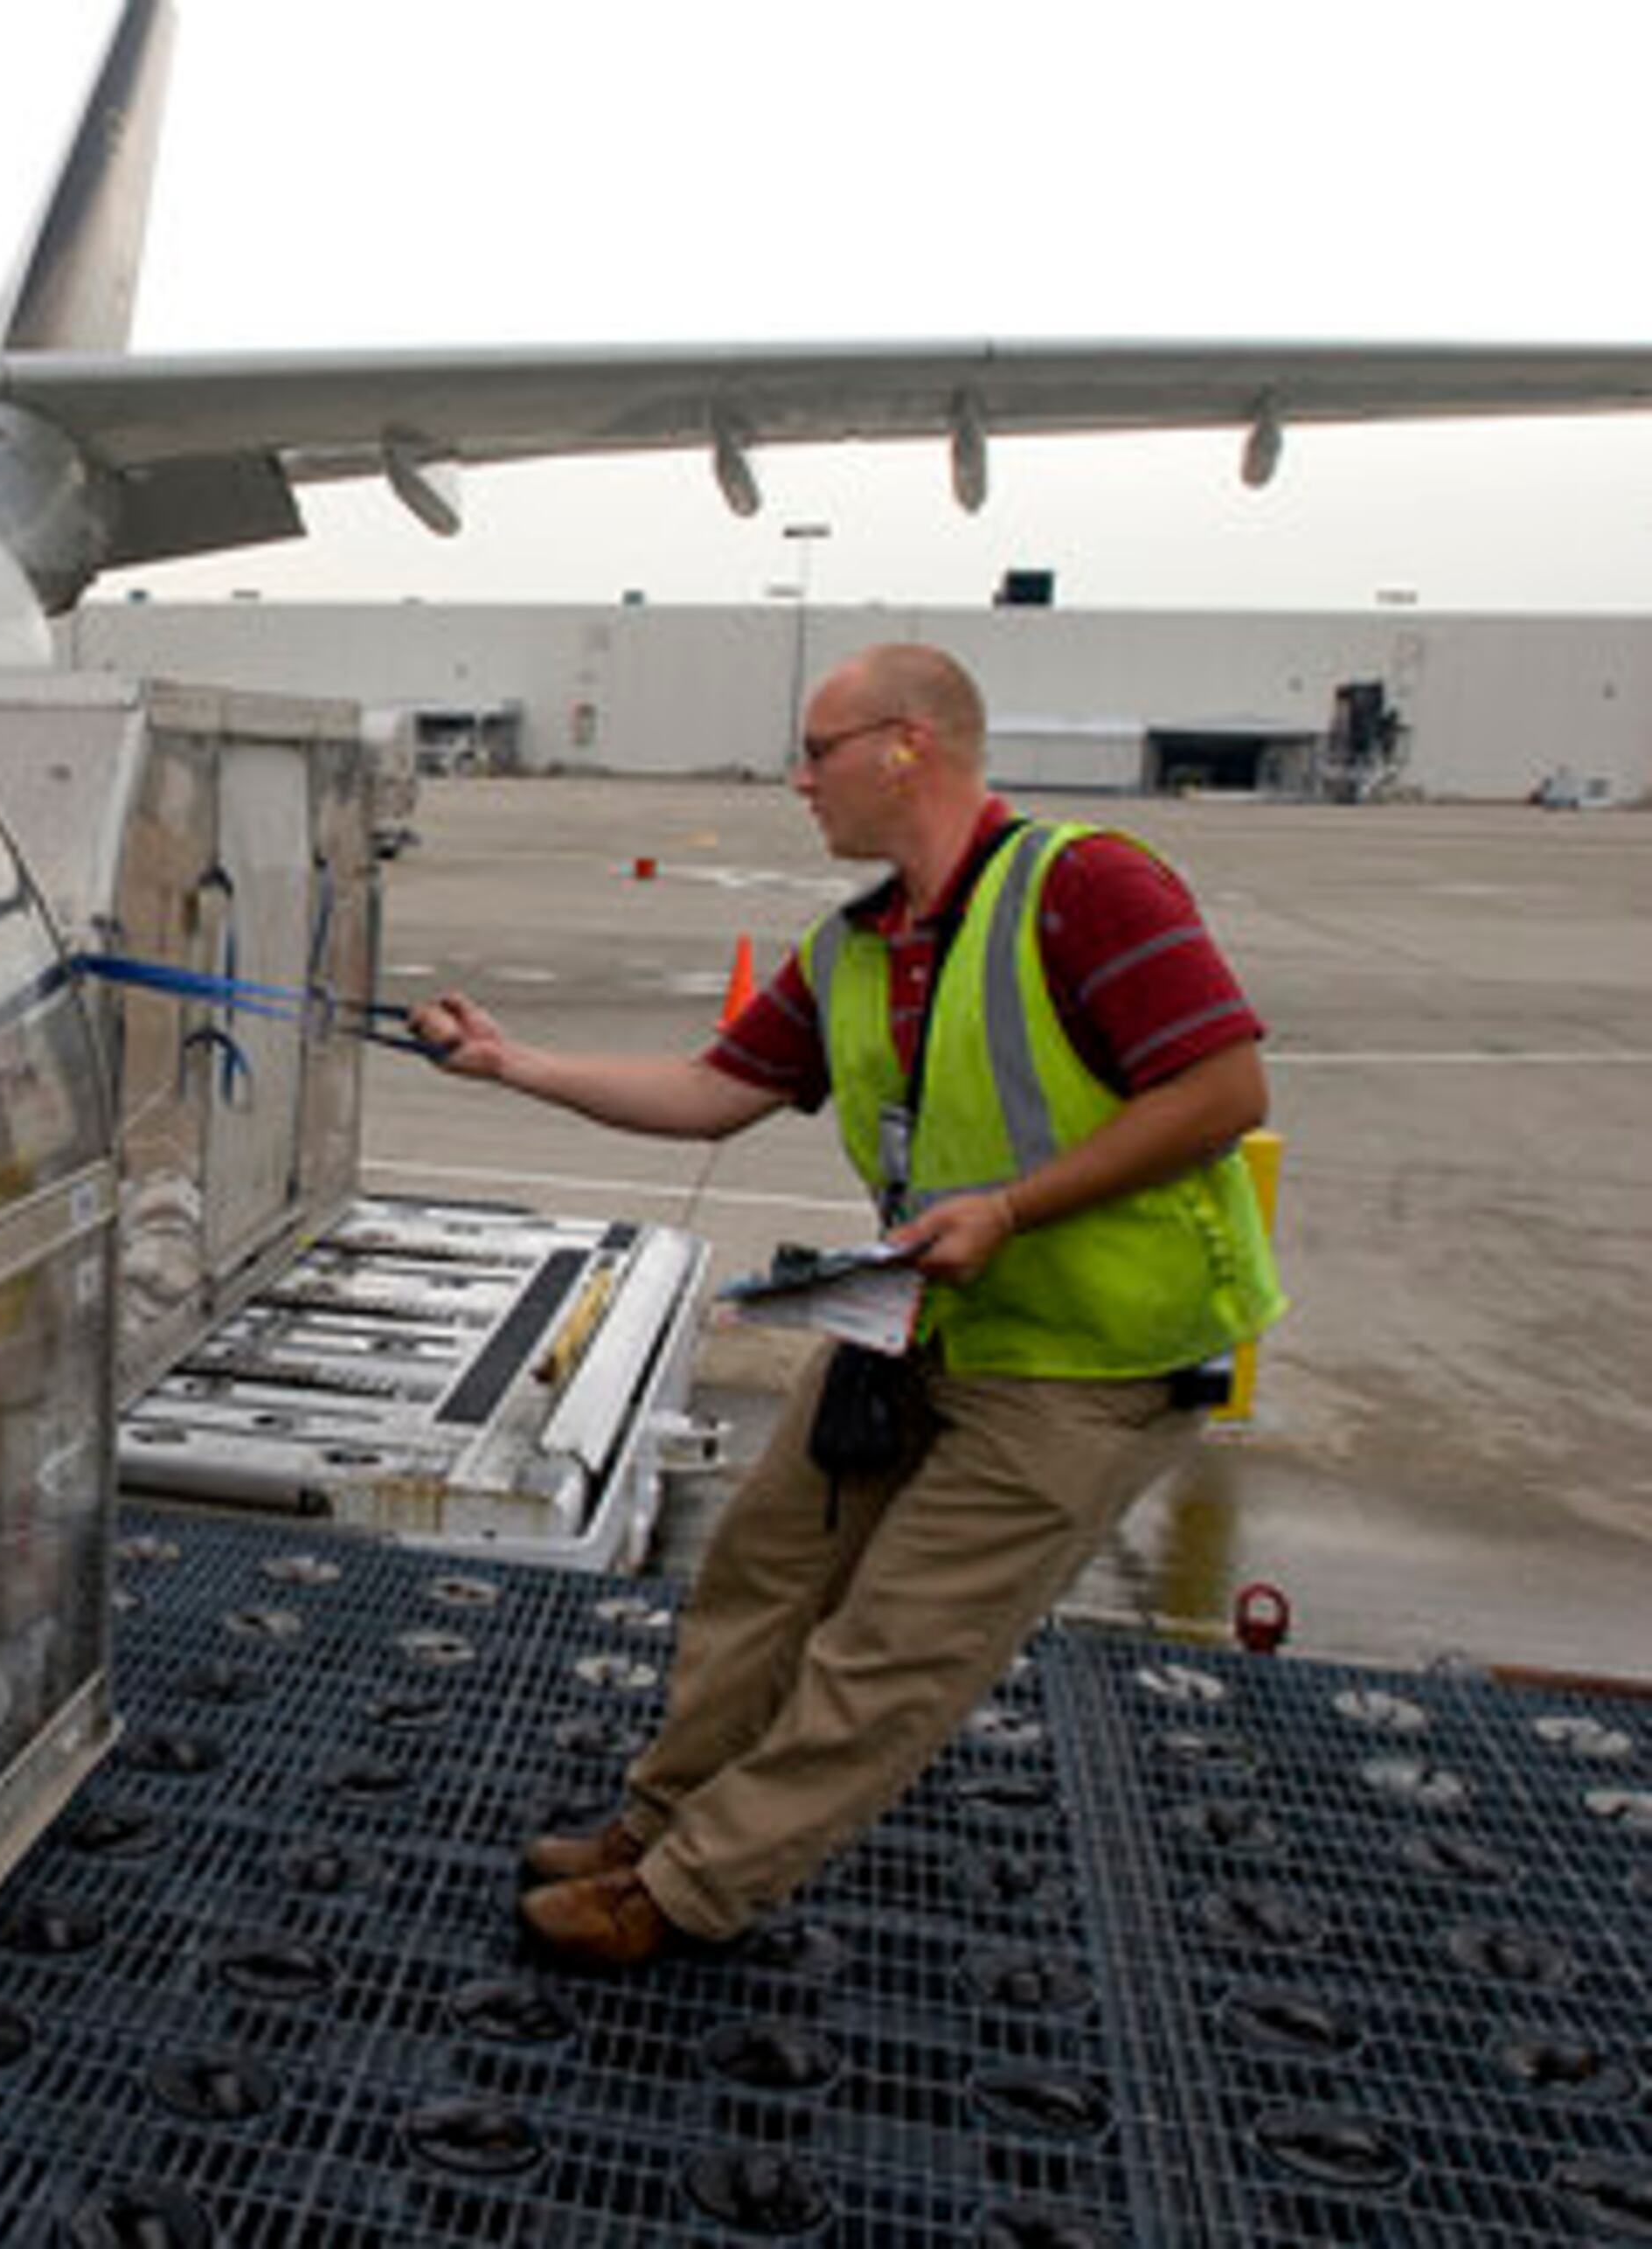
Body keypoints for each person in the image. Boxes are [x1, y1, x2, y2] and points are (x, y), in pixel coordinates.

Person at [408, 642, 1283, 1968]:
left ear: (906, 746)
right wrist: (510, 1061)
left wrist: (1013, 1209)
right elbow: (713, 1089)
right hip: (916, 1326)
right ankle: (655, 1823)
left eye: (816, 751)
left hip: (1083, 1364)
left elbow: (1222, 1093)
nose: (797, 779)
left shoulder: (1086, 884)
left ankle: (684, 1892)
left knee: (892, 1649)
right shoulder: (862, 946)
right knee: (763, 1571)